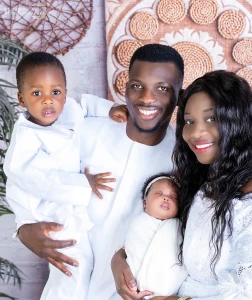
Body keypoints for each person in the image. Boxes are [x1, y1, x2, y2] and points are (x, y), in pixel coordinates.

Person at [13, 44, 184, 299]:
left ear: (179, 96)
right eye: (137, 85)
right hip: (67, 286)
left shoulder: (182, 159)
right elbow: (30, 174)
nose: (147, 98)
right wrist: (23, 228)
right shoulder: (83, 130)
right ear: (125, 87)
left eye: (162, 89)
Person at [112, 70, 252, 300]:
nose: (195, 132)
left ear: (238, 120)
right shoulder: (220, 167)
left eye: (211, 119)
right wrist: (120, 259)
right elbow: (158, 219)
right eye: (189, 121)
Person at [3, 52, 127, 299]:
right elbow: (40, 180)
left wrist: (111, 109)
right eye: (37, 94)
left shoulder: (68, 108)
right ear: (21, 99)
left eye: (56, 92)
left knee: (85, 262)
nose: (48, 101)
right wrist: (84, 183)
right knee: (73, 264)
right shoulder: (26, 139)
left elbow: (85, 103)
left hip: (65, 202)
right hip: (44, 208)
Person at [124, 173, 187, 298]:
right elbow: (131, 250)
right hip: (138, 288)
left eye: (173, 197)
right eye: (160, 193)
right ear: (145, 203)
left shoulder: (178, 226)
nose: (166, 198)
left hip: (170, 291)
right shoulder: (138, 223)